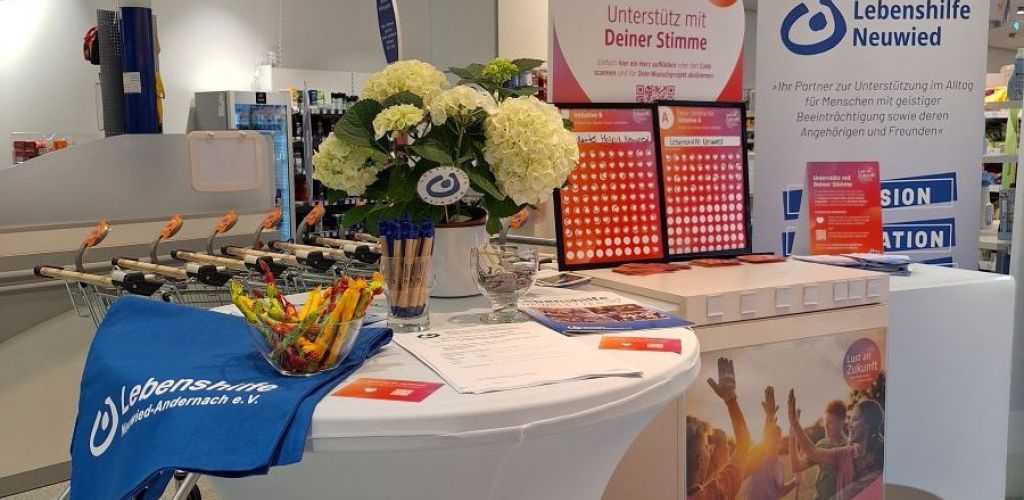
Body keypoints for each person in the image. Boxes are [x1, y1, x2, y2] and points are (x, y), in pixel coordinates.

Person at [788, 390, 885, 500]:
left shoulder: (882, 457)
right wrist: (795, 426)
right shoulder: (839, 452)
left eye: (855, 419)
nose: (826, 426)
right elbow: (809, 454)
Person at [687, 357, 751, 500]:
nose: (710, 451)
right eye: (707, 447)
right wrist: (730, 399)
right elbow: (744, 443)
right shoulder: (715, 493)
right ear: (699, 460)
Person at [744, 386, 800, 500]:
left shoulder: (779, 465)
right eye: (771, 437)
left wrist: (794, 482)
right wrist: (769, 416)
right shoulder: (756, 457)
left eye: (777, 439)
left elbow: (780, 491)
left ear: (780, 441)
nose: (774, 442)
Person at [790, 400, 847, 500]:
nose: (826, 426)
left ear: (841, 422)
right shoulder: (822, 445)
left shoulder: (848, 448)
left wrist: (796, 426)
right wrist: (792, 435)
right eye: (826, 422)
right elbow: (797, 466)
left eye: (830, 422)